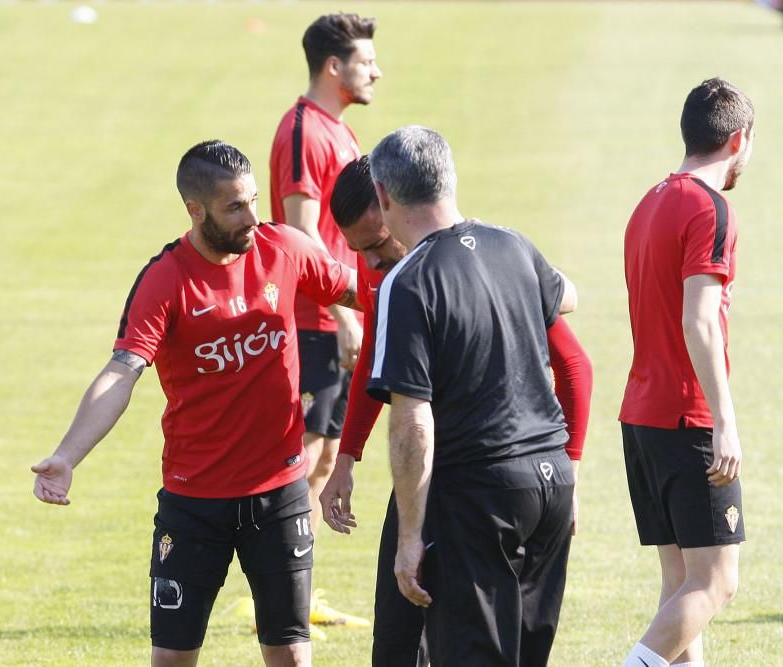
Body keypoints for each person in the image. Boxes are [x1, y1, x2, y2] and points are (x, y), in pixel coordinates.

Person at [31, 140, 359, 667]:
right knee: (173, 659)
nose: (253, 216)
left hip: (280, 496)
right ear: (195, 209)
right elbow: (123, 371)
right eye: (235, 207)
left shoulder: (285, 249)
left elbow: (363, 288)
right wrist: (67, 456)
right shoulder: (165, 279)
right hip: (195, 503)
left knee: (292, 656)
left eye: (253, 200)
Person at [319, 156, 593, 667]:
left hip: (471, 491)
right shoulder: (398, 274)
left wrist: (570, 465)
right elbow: (378, 364)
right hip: (436, 484)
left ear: (391, 206)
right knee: (400, 642)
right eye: (358, 252)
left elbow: (575, 364)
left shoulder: (462, 266)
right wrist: (347, 457)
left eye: (376, 245)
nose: (371, 263)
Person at [619, 78, 754, 667]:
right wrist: (724, 421)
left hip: (642, 416)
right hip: (687, 418)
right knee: (718, 581)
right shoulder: (711, 208)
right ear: (738, 139)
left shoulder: (649, 201)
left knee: (681, 584)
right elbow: (699, 321)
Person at [268, 11, 382, 628]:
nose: (376, 71)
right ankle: (283, 589)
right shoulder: (303, 132)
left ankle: (301, 593)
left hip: (338, 316)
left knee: (327, 453)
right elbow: (301, 234)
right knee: (306, 454)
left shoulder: (337, 130)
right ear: (333, 66)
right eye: (366, 61)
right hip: (315, 321)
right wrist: (343, 317)